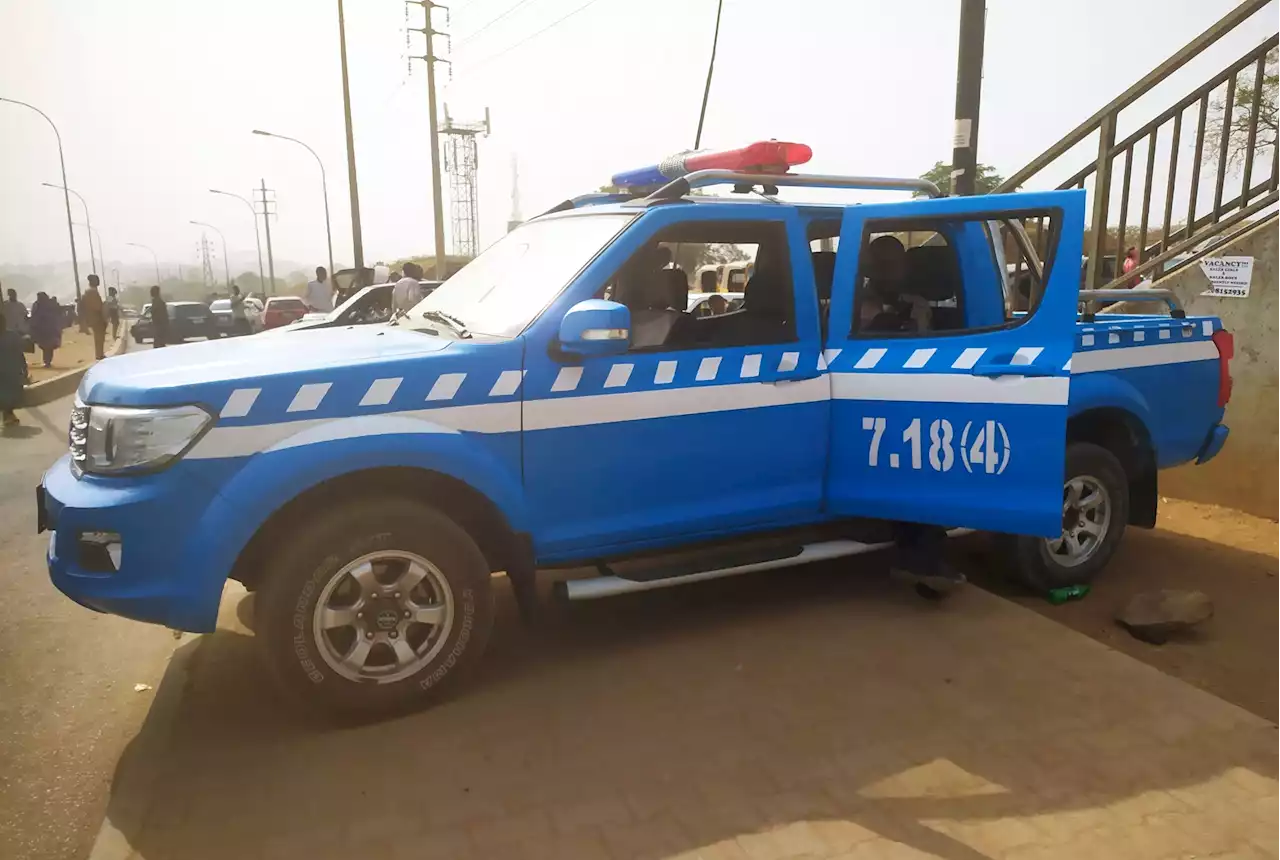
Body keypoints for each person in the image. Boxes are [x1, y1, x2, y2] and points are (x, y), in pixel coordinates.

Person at [0, 311, 28, 427]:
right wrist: (24, 367)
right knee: (12, 393)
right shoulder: (12, 335)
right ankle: (8, 415)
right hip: (12, 370)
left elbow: (19, 353)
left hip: (9, 370)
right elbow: (19, 353)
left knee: (7, 393)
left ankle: (8, 415)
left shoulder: (12, 335)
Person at [29, 292, 62, 369]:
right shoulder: (40, 305)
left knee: (47, 347)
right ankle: (47, 361)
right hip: (44, 329)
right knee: (46, 347)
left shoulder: (44, 305)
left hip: (47, 329)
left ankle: (47, 361)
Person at [83, 275, 108, 360]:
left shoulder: (90, 291)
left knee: (99, 337)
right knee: (99, 337)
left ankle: (100, 353)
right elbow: (97, 306)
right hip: (96, 318)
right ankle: (99, 354)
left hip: (95, 318)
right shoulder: (92, 292)